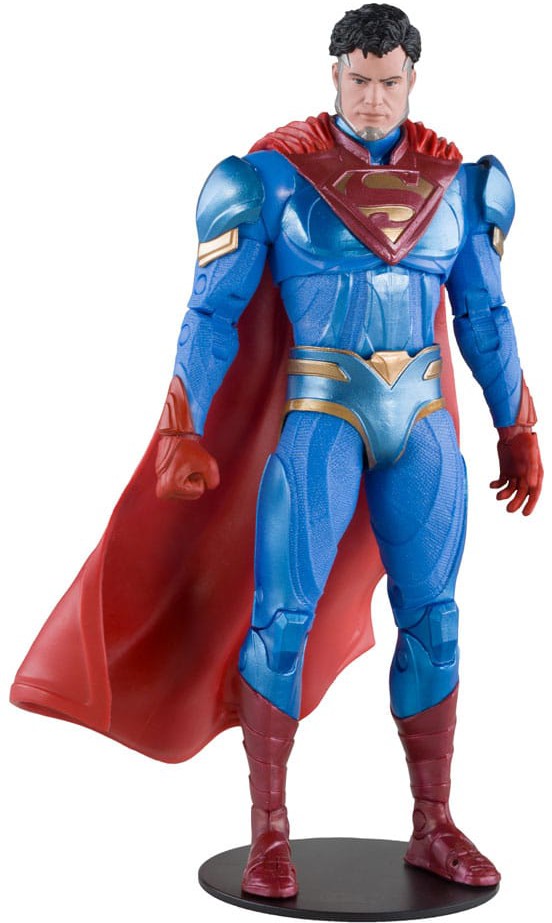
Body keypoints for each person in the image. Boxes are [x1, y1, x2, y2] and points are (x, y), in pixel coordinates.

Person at [12, 2, 543, 902]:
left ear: (413, 80)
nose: (372, 98)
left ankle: (434, 823)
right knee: (281, 618)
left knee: (436, 618)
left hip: (421, 425)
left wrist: (516, 424)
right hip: (322, 418)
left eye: (389, 81)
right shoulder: (271, 179)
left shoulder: (457, 184)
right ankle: (268, 832)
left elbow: (485, 315)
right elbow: (212, 312)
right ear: (334, 75)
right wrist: (181, 426)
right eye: (359, 79)